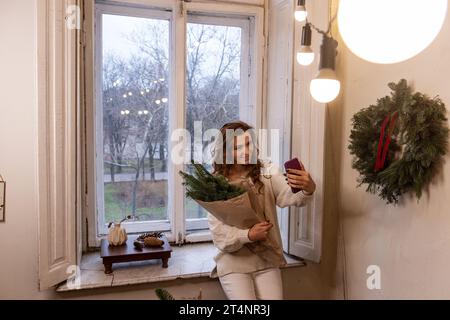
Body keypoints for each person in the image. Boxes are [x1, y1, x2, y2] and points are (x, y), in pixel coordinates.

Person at [207, 120, 316, 300]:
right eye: (237, 147)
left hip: (267, 257)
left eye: (248, 143)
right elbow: (219, 234)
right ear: (225, 152)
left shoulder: (267, 171)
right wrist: (248, 235)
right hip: (234, 262)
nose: (245, 151)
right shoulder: (216, 184)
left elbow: (289, 197)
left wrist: (307, 187)